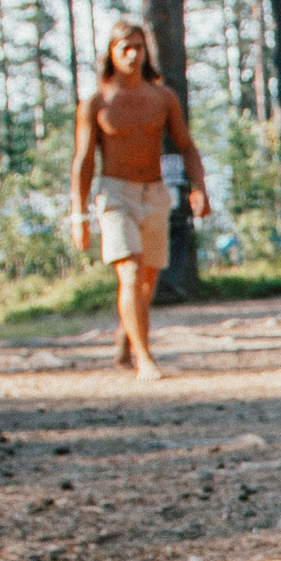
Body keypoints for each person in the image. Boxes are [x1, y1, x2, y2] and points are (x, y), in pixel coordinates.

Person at [71, 20, 209, 382]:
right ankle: (146, 358)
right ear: (111, 53)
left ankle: (126, 336)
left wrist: (200, 188)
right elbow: (84, 160)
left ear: (147, 51)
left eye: (138, 47)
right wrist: (78, 215)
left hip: (155, 191)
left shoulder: (163, 98)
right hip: (115, 193)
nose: (132, 55)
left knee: (147, 278)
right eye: (124, 48)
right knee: (130, 272)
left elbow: (186, 144)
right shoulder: (96, 102)